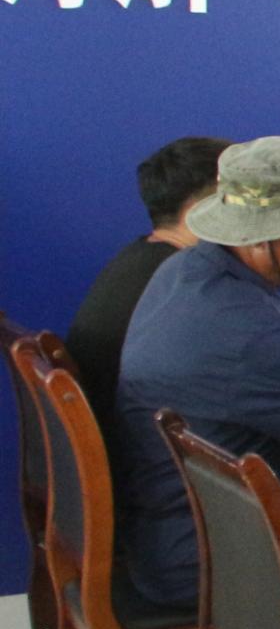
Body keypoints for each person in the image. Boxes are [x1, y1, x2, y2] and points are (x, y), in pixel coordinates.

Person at [115, 136, 280, 610]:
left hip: (172, 532)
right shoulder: (246, 336)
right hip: (211, 559)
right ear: (256, 238)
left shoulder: (185, 273)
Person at [67, 134, 231, 464]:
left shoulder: (140, 259)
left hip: (115, 453)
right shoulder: (185, 283)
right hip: (146, 469)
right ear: (200, 211)